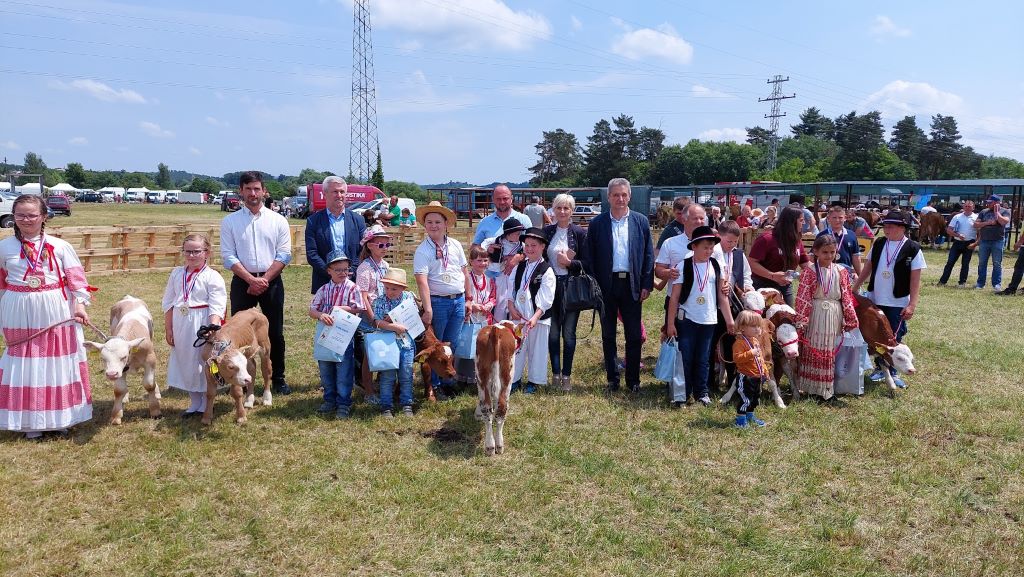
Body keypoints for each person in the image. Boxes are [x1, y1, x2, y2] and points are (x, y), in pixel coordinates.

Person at [0, 195, 93, 440]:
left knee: (56, 360)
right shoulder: (4, 248)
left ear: (44, 217)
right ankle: (29, 422)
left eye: (32, 214)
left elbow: (77, 282)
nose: (26, 219)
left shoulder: (60, 246)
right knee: (24, 362)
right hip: (18, 310)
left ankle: (59, 418)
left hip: (55, 308)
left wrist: (80, 306)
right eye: (20, 215)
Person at [221, 171, 293, 394]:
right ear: (241, 191)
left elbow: (284, 254)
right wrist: (251, 279)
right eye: (248, 189)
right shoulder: (230, 221)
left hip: (271, 281)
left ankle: (278, 377)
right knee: (238, 334)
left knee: (276, 332)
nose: (253, 193)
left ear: (264, 191)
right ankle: (238, 377)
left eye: (257, 189)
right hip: (243, 282)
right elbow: (228, 256)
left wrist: (263, 280)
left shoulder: (278, 220)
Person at [584, 178, 654, 393]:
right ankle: (612, 379)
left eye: (624, 195)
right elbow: (589, 258)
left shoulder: (641, 221)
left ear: (629, 196)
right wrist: (595, 286)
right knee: (608, 335)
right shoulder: (597, 224)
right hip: (606, 286)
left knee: (633, 335)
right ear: (608, 197)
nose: (620, 199)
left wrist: (646, 284)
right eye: (615, 195)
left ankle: (633, 381)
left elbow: (648, 255)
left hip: (632, 285)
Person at [851, 211, 924, 389]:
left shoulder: (913, 248)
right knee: (875, 337)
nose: (886, 229)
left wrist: (912, 304)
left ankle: (893, 372)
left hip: (897, 302)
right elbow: (868, 266)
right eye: (885, 226)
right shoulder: (880, 243)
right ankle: (878, 369)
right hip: (875, 298)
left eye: (891, 226)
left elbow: (915, 279)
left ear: (902, 228)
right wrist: (856, 286)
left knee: (894, 338)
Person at [664, 226, 736, 407]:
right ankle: (683, 392)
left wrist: (729, 320)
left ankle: (702, 392)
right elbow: (674, 298)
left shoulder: (716, 266)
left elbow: (722, 296)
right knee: (686, 357)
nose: (709, 251)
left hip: (709, 320)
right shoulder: (683, 265)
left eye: (711, 247)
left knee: (704, 358)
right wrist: (670, 323)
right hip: (687, 319)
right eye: (705, 247)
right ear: (693, 246)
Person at [161, 234, 226, 418]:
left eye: (196, 251)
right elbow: (168, 302)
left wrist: (212, 328)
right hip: (181, 321)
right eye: (188, 251)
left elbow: (217, 304)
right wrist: (169, 328)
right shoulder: (177, 274)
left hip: (201, 322)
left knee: (203, 360)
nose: (191, 255)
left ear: (206, 253)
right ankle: (195, 401)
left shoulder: (212, 276)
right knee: (185, 360)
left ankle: (207, 400)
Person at [413, 201, 469, 399]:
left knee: (450, 344)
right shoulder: (423, 250)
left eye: (438, 221)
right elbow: (422, 281)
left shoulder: (455, 245)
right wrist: (427, 309)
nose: (434, 225)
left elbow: (464, 271)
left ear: (446, 223)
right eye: (429, 222)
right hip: (438, 302)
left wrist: (468, 298)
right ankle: (434, 386)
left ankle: (447, 381)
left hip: (458, 300)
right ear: (425, 225)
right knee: (434, 348)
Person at [794, 235, 859, 401]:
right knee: (814, 347)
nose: (829, 256)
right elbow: (803, 296)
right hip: (816, 313)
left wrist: (850, 318)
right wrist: (802, 320)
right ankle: (811, 388)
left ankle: (826, 390)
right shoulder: (809, 271)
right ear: (815, 251)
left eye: (832, 252)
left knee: (829, 350)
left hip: (834, 313)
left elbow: (846, 295)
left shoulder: (841, 271)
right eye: (824, 252)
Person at [654, 203, 706, 402]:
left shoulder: (712, 242)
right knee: (678, 343)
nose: (700, 222)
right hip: (677, 301)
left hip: (703, 305)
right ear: (684, 219)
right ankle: (676, 384)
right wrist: (668, 272)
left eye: (702, 218)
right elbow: (659, 270)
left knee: (701, 347)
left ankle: (701, 387)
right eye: (695, 218)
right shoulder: (671, 243)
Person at [308, 250, 364, 418]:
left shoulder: (353, 288)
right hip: (325, 334)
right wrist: (321, 315)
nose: (342, 273)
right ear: (329, 271)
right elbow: (312, 309)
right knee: (325, 367)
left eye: (345, 269)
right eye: (338, 269)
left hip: (343, 336)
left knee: (343, 369)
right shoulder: (324, 289)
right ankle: (329, 399)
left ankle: (343, 402)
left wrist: (341, 309)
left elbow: (359, 307)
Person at [543, 193, 588, 392]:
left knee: (568, 333)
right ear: (553, 209)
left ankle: (567, 376)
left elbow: (588, 263)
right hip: (550, 288)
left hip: (570, 288)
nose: (562, 212)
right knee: (552, 333)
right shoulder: (546, 232)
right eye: (559, 208)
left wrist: (570, 263)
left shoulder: (579, 233)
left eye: (566, 208)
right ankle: (555, 373)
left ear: (572, 211)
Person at [505, 227, 557, 393]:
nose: (529, 249)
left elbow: (546, 297)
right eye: (526, 245)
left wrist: (536, 316)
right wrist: (511, 306)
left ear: (543, 247)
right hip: (519, 317)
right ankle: (515, 379)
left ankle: (535, 381)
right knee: (517, 349)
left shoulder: (547, 270)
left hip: (538, 319)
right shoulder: (519, 266)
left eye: (533, 245)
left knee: (537, 349)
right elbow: (511, 288)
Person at [305, 176, 367, 292]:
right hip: (324, 282)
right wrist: (331, 272)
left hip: (352, 282)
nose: (339, 195)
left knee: (351, 311)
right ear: (325, 193)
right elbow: (312, 253)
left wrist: (349, 271)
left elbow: (363, 250)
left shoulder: (358, 220)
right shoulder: (313, 221)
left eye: (342, 191)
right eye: (335, 191)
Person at [369, 268, 417, 417]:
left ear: (402, 288)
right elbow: (376, 321)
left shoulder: (409, 298)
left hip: (406, 344)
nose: (389, 291)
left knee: (406, 373)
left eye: (394, 289)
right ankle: (386, 405)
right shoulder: (379, 301)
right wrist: (393, 326)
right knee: (387, 375)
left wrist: (392, 319)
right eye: (387, 288)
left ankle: (407, 403)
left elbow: (413, 316)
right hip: (387, 345)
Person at [354, 225, 392, 403]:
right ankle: (369, 391)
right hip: (369, 317)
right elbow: (363, 296)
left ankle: (381, 386)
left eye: (387, 245)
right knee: (369, 356)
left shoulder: (385, 265)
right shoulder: (364, 268)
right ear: (369, 245)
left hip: (382, 314)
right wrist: (372, 318)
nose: (385, 248)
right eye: (381, 245)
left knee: (382, 351)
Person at [748, 206, 812, 307]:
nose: (803, 223)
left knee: (787, 318)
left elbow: (805, 263)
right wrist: (772, 275)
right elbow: (751, 262)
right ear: (791, 222)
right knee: (766, 321)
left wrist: (822, 269)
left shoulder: (796, 241)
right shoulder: (766, 239)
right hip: (763, 287)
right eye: (801, 220)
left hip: (786, 288)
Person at [455, 246, 496, 390]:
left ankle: (478, 377)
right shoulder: (467, 280)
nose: (483, 263)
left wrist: (489, 305)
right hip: (470, 317)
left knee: (482, 348)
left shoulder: (490, 280)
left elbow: (492, 297)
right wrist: (474, 305)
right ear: (471, 261)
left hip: (484, 318)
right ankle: (462, 377)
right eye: (479, 260)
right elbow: (464, 297)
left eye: (485, 260)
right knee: (467, 346)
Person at [731, 311, 769, 428]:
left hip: (757, 376)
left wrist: (765, 370)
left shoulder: (755, 341)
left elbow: (760, 358)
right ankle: (740, 420)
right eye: (753, 326)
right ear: (742, 327)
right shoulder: (739, 343)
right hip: (746, 376)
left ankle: (750, 416)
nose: (757, 329)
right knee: (745, 398)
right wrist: (750, 353)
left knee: (754, 399)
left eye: (759, 326)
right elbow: (737, 359)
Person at [481, 218, 525, 322]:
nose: (519, 236)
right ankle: (495, 323)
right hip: (492, 273)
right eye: (517, 234)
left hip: (509, 275)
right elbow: (482, 246)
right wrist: (488, 250)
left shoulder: (520, 245)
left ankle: (506, 324)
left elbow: (527, 254)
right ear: (508, 234)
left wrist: (519, 256)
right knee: (491, 299)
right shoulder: (496, 240)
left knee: (506, 300)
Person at [471, 184, 532, 250]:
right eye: (498, 199)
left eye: (505, 198)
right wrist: (487, 249)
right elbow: (474, 248)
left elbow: (533, 246)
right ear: (493, 199)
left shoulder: (524, 219)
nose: (502, 202)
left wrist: (519, 257)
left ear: (511, 198)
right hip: (493, 260)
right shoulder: (484, 222)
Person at [973, 195, 1011, 292]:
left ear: (997, 202)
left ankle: (996, 284)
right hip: (984, 240)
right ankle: (980, 283)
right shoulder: (983, 212)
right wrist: (988, 223)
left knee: (997, 263)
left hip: (998, 240)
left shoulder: (1005, 211)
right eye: (988, 202)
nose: (988, 204)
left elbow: (1003, 222)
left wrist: (997, 213)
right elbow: (975, 224)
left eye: (990, 202)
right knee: (982, 263)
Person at [937, 200, 977, 288]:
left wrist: (976, 243)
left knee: (965, 264)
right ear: (963, 207)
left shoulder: (976, 218)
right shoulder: (957, 217)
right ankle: (942, 281)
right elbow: (949, 230)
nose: (967, 208)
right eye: (966, 206)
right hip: (957, 242)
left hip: (969, 243)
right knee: (950, 262)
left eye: (969, 206)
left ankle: (962, 283)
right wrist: (958, 235)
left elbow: (980, 232)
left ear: (973, 208)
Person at [816, 205, 863, 277]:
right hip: (826, 274)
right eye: (834, 217)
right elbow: (814, 256)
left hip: (846, 274)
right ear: (828, 219)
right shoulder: (822, 235)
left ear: (845, 218)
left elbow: (855, 257)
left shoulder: (851, 235)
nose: (837, 220)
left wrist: (859, 275)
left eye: (840, 217)